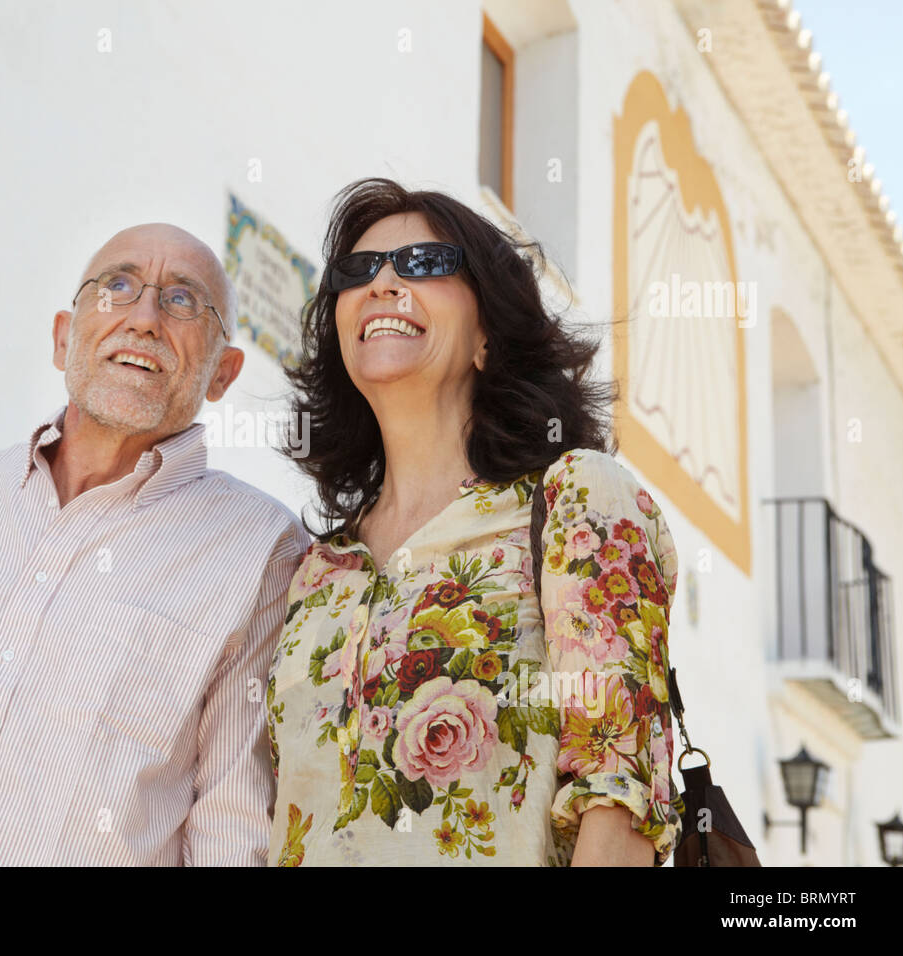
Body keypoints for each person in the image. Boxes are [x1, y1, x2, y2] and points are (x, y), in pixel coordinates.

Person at [0, 223, 311, 865]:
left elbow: (232, 833)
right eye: (118, 286)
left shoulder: (260, 550)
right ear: (62, 337)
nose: (144, 318)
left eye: (183, 300)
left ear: (223, 372)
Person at [266, 178, 685, 866]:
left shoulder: (577, 500)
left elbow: (622, 806)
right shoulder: (316, 571)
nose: (384, 282)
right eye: (358, 270)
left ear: (488, 335)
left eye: (426, 263)